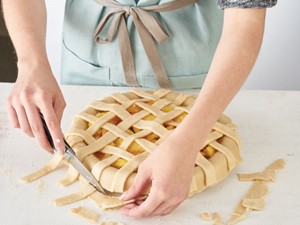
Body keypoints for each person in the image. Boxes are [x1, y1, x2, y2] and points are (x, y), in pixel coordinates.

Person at [3, 0, 277, 218]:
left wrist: (189, 141)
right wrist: (31, 63)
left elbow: (246, 18)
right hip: (89, 58)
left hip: (191, 65)